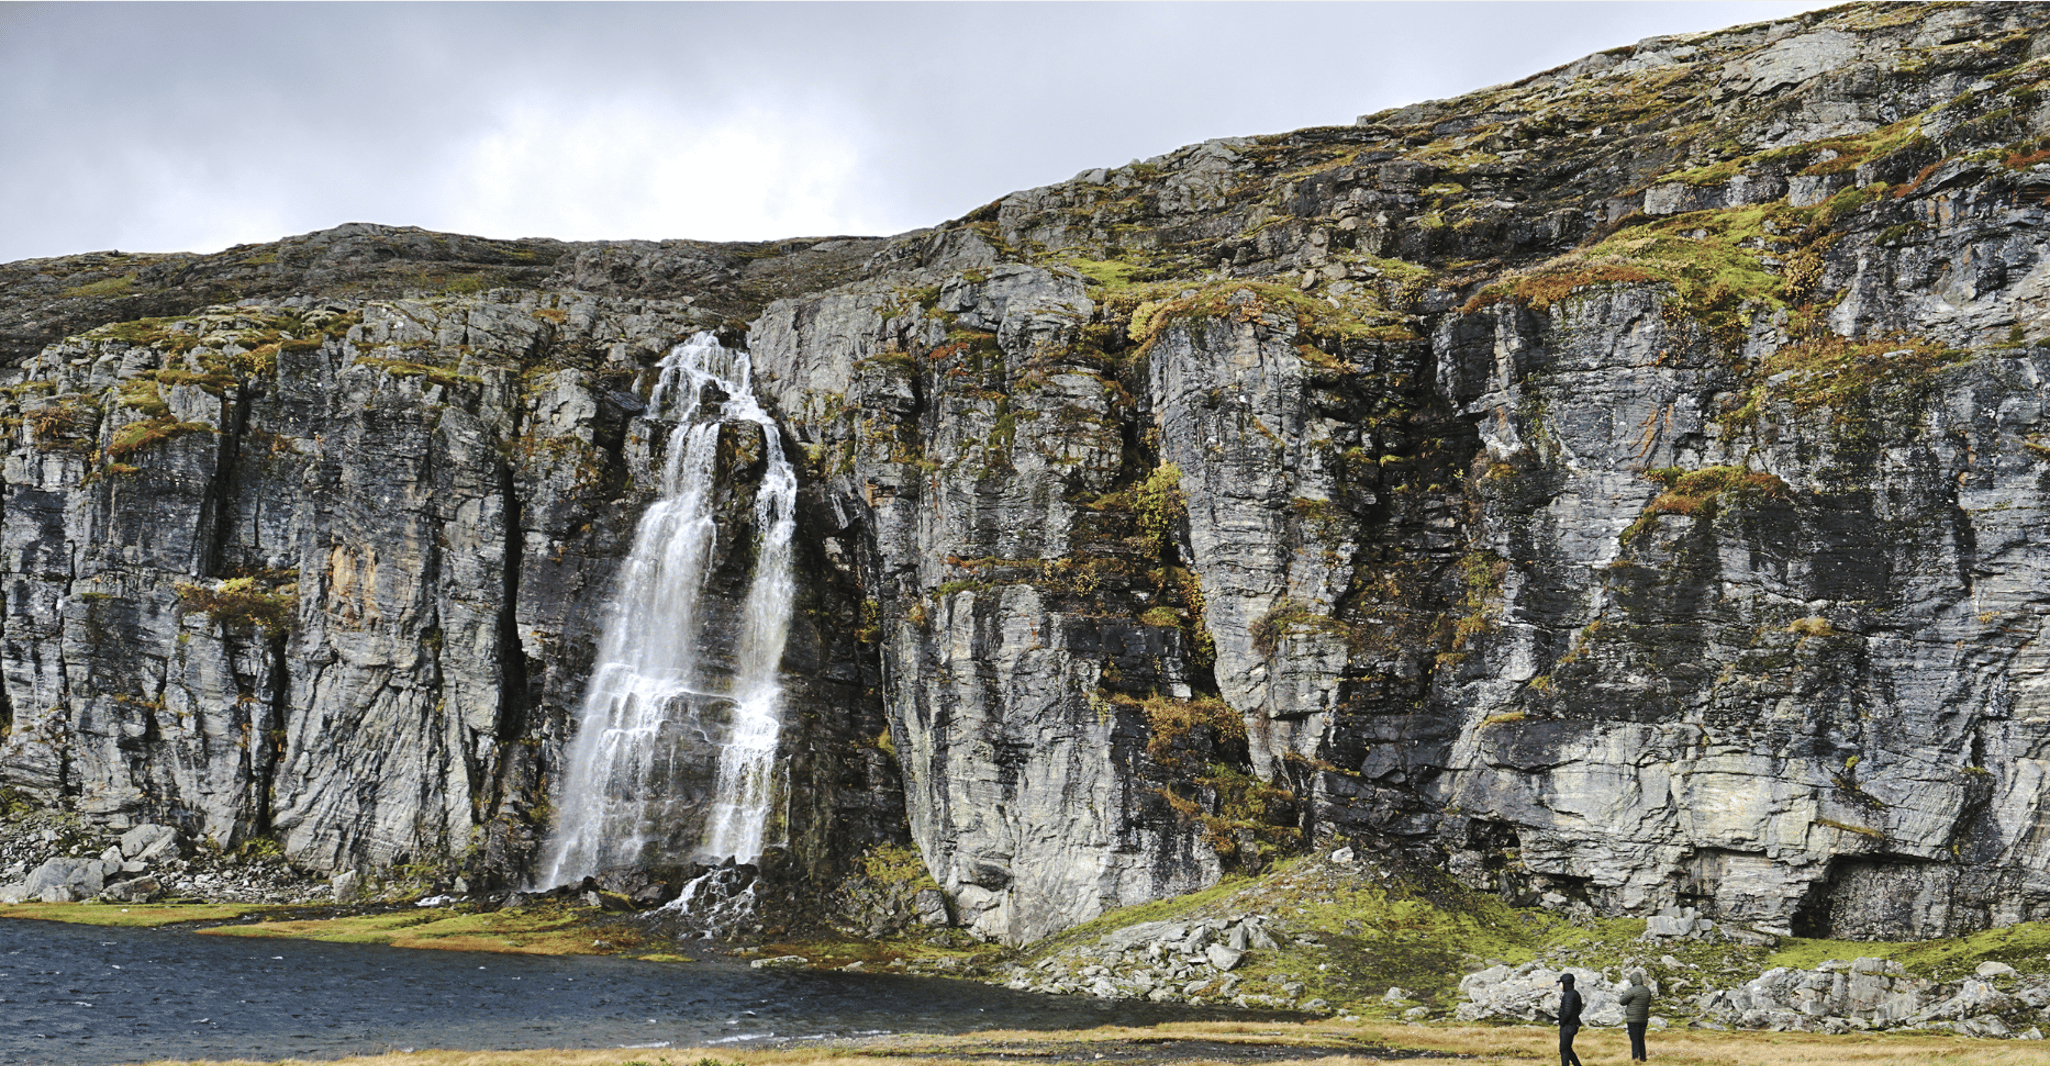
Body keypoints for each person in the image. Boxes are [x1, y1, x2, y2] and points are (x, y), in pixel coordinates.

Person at [1619, 970, 1653, 1062]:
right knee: (1641, 1039)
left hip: (1633, 1019)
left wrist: (1622, 994)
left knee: (1634, 1039)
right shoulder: (1647, 990)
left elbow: (1622, 1001)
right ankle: (1643, 1057)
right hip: (1643, 1019)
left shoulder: (1632, 991)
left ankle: (1635, 1058)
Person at [1555, 972, 1584, 1066]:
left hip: (1568, 1026)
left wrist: (1562, 1022)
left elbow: (1567, 1012)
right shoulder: (1574, 993)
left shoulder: (1569, 995)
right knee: (1567, 1049)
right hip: (1572, 1025)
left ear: (1565, 983)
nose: (1559, 985)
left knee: (1564, 1049)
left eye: (1560, 983)